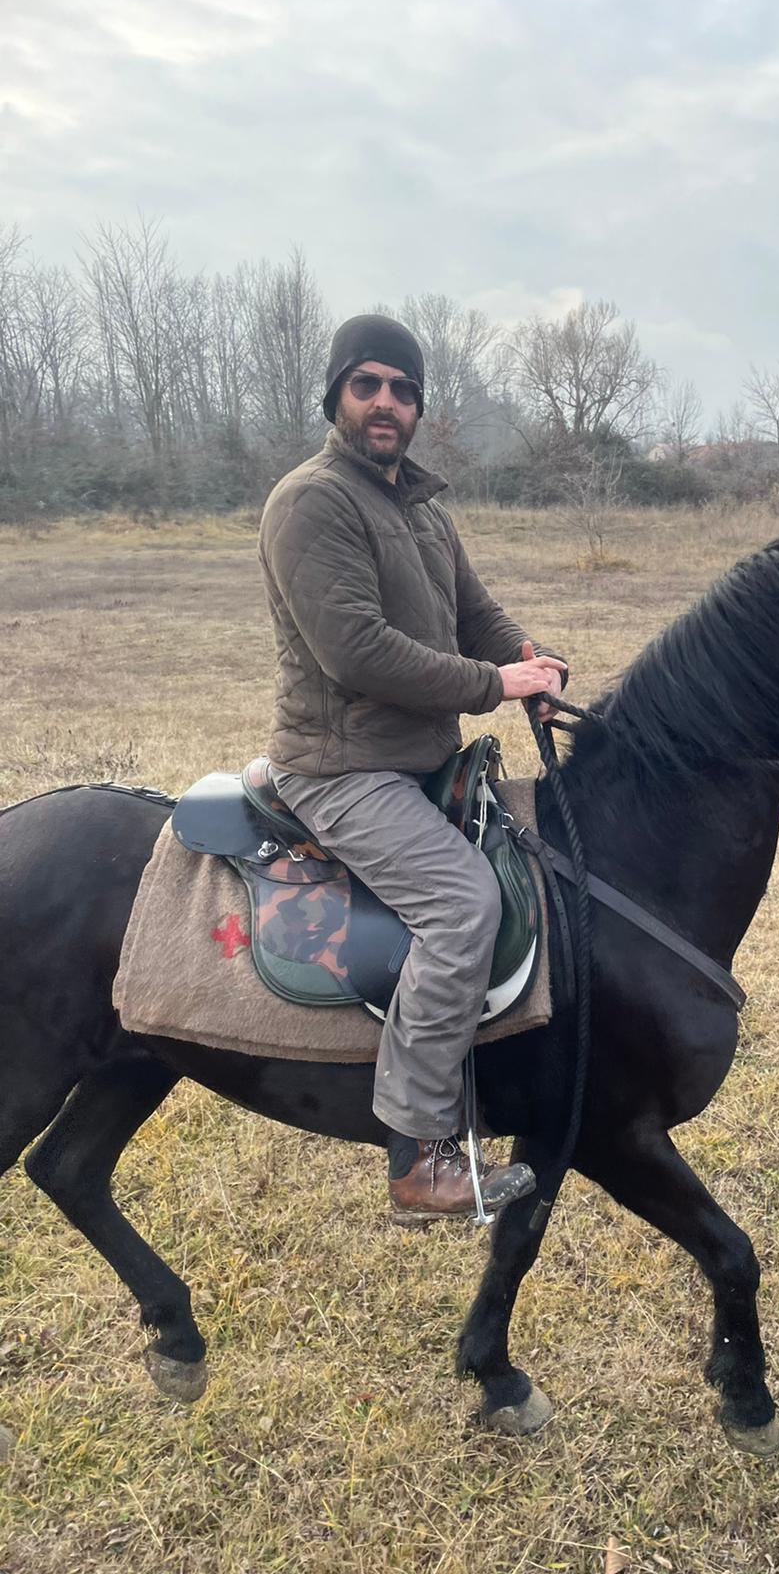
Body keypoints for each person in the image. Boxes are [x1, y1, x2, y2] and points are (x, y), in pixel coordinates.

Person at [258, 314, 566, 1222]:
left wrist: (528, 658)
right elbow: (356, 651)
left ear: (420, 406)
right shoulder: (311, 502)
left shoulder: (423, 508)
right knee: (463, 903)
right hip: (344, 767)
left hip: (423, 757)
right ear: (337, 397)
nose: (386, 402)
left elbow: (477, 614)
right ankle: (418, 1158)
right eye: (368, 385)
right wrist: (494, 683)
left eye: (403, 389)